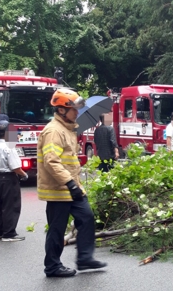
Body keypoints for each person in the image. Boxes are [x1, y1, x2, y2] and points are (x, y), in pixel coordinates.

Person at [37, 89, 107, 277]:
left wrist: (74, 184)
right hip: (59, 189)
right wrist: (70, 183)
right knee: (57, 229)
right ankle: (52, 266)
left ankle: (84, 258)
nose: (77, 112)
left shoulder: (67, 129)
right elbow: (52, 161)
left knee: (86, 217)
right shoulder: (54, 131)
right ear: (61, 110)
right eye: (73, 109)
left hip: (72, 187)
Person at [0, 114, 28, 242]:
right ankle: (9, 234)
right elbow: (15, 167)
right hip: (8, 179)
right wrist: (24, 175)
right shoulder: (8, 147)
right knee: (10, 206)